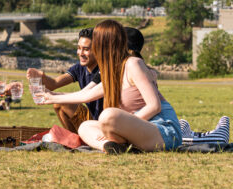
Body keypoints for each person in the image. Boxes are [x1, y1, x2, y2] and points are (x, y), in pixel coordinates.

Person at [41, 20, 182, 153]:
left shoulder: (133, 64)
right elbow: (86, 95)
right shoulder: (114, 70)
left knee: (108, 115)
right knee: (85, 126)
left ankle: (119, 141)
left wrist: (125, 124)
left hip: (163, 130)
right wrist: (50, 96)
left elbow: (154, 106)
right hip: (137, 131)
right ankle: (111, 147)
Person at [26, 28, 102, 133]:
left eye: (86, 49)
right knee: (58, 103)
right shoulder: (79, 68)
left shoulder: (103, 70)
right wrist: (41, 76)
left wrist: (53, 95)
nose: (80, 53)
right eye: (79, 48)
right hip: (92, 120)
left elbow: (86, 95)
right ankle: (74, 138)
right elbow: (54, 83)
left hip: (105, 123)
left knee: (62, 102)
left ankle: (79, 139)